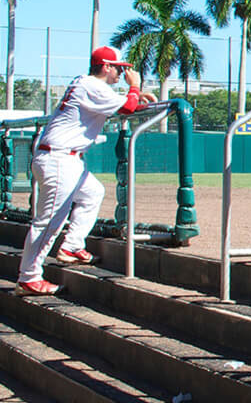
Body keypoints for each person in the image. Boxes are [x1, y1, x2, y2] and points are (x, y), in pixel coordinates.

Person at [17, 46, 153, 295]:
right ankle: (29, 276)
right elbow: (126, 108)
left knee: (92, 193)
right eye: (118, 69)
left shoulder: (87, 83)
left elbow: (124, 104)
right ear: (106, 66)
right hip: (59, 159)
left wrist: (135, 94)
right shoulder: (92, 85)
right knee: (48, 223)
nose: (121, 74)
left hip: (64, 158)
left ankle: (71, 246)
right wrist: (135, 87)